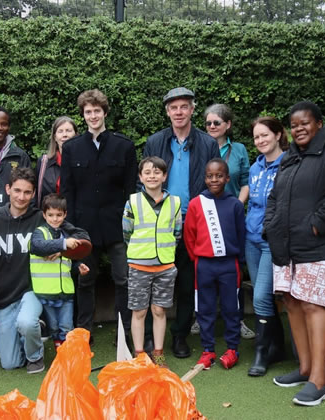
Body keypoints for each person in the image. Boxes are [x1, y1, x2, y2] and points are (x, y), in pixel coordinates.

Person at [265, 101, 325, 406]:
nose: (299, 128)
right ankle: (305, 368)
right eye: (294, 125)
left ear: (318, 123)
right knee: (292, 302)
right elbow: (275, 196)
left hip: (319, 245)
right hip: (286, 245)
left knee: (315, 305)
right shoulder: (291, 157)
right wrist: (272, 225)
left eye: (305, 123)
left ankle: (321, 381)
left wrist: (316, 224)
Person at [142, 87, 219, 359]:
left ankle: (180, 336)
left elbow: (213, 182)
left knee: (187, 282)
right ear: (167, 112)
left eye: (184, 107)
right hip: (160, 222)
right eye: (173, 108)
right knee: (154, 279)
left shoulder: (208, 143)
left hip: (192, 221)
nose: (178, 112)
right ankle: (151, 336)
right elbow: (146, 178)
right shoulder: (155, 141)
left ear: (192, 109)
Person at [60, 89, 138, 344]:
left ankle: (124, 331)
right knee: (85, 279)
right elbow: (68, 190)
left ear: (105, 112)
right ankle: (84, 331)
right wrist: (70, 227)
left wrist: (130, 222)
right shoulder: (72, 148)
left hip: (117, 225)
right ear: (83, 115)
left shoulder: (123, 146)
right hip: (84, 226)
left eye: (97, 110)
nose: (93, 116)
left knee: (123, 278)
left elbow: (130, 191)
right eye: (88, 112)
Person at [0, 167, 46, 373]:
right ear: (7, 189)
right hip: (3, 297)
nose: (21, 196)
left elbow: (66, 235)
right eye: (17, 190)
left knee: (26, 322)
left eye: (27, 192)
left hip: (31, 291)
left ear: (34, 193)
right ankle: (27, 332)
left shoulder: (40, 219)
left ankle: (36, 355)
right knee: (10, 363)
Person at [184, 158, 246, 370]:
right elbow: (189, 235)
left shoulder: (235, 204)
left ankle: (232, 349)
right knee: (205, 308)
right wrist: (198, 259)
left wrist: (237, 260)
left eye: (219, 175)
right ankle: (208, 349)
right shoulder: (196, 203)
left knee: (231, 308)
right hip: (204, 266)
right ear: (205, 178)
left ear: (227, 178)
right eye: (210, 176)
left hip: (229, 265)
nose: (214, 180)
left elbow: (241, 235)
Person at [123, 157, 182, 367]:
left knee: (159, 310)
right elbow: (127, 232)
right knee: (139, 311)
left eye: (157, 172)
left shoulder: (175, 202)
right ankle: (139, 356)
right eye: (147, 172)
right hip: (139, 265)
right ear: (140, 177)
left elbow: (177, 232)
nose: (152, 176)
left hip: (165, 266)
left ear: (165, 176)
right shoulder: (133, 201)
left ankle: (158, 353)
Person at [203, 103, 253, 341]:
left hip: (231, 214)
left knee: (234, 268)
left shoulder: (240, 150)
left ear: (228, 125)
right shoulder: (200, 145)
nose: (212, 127)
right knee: (205, 267)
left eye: (217, 123)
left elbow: (245, 181)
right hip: (206, 214)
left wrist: (237, 205)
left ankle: (238, 318)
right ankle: (201, 317)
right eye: (208, 123)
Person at [246, 117, 289, 377]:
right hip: (250, 238)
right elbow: (252, 204)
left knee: (261, 296)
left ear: (277, 134)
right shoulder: (255, 167)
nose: (261, 141)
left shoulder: (289, 165)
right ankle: (277, 346)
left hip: (272, 240)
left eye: (265, 135)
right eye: (256, 137)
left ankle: (262, 353)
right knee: (263, 295)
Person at [30, 193, 90, 349]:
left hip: (66, 292)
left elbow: (69, 262)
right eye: (50, 215)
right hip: (46, 292)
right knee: (54, 327)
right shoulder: (40, 232)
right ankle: (59, 349)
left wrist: (79, 268)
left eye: (59, 215)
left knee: (66, 327)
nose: (55, 219)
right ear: (44, 215)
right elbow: (38, 247)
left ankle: (65, 354)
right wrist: (63, 244)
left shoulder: (67, 234)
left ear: (65, 215)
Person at [35, 116, 78, 207]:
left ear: (76, 135)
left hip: (76, 217)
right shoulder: (43, 163)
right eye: (60, 131)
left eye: (68, 131)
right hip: (49, 217)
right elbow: (35, 194)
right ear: (55, 137)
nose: (64, 135)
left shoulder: (84, 162)